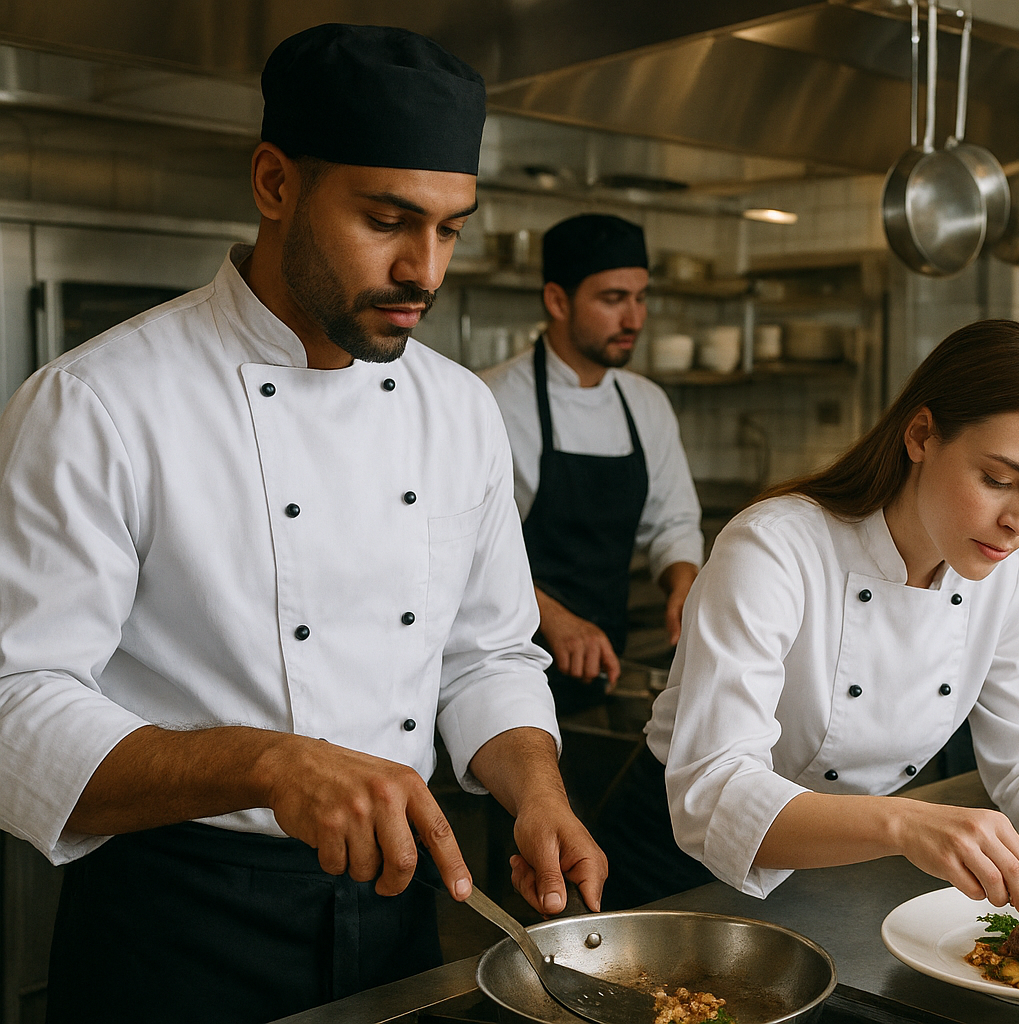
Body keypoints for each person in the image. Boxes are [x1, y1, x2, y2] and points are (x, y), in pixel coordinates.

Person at [0, 25, 604, 1024]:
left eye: (451, 228)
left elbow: (486, 653)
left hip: (402, 911)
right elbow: (16, 703)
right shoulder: (100, 403)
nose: (426, 270)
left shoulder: (457, 410)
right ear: (275, 184)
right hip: (175, 927)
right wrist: (269, 763)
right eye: (388, 219)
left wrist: (535, 788)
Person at [595, 319, 1019, 917]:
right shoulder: (775, 547)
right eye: (999, 480)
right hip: (669, 873)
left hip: (832, 870)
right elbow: (715, 790)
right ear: (921, 435)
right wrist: (905, 823)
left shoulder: (1004, 571)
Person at [479, 214, 703, 714]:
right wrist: (552, 617)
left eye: (641, 298)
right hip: (502, 671)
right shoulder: (489, 402)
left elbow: (674, 522)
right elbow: (469, 554)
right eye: (612, 299)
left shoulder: (646, 403)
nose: (635, 320)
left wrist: (683, 584)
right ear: (557, 301)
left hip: (605, 664)